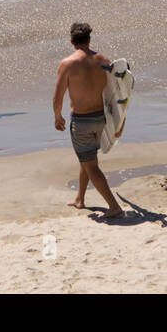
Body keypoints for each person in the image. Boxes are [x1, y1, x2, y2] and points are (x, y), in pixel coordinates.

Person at [53, 22, 124, 218]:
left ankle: (114, 206)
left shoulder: (67, 64)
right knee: (87, 158)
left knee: (91, 164)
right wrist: (120, 121)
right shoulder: (103, 61)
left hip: (82, 122)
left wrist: (57, 116)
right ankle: (80, 199)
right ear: (89, 40)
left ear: (71, 41)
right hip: (101, 119)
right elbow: (118, 91)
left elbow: (57, 96)